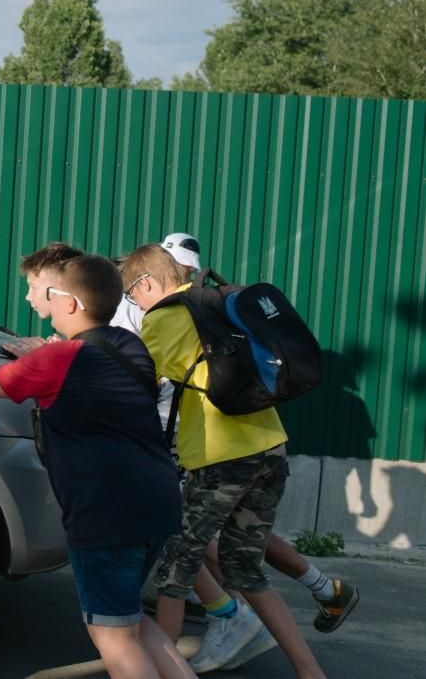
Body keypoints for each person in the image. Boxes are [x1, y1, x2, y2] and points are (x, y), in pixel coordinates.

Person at [0, 253, 192, 679]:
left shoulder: (60, 360)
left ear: (70, 304)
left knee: (113, 636)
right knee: (130, 621)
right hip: (157, 503)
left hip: (106, 514)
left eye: (49, 292)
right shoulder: (128, 345)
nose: (43, 298)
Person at [121, 244, 327, 679]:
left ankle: (163, 669)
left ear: (147, 284)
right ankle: (311, 673)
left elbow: (131, 381)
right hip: (271, 447)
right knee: (246, 570)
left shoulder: (164, 319)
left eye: (132, 294)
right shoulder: (213, 304)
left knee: (175, 569)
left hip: (222, 458)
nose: (134, 304)